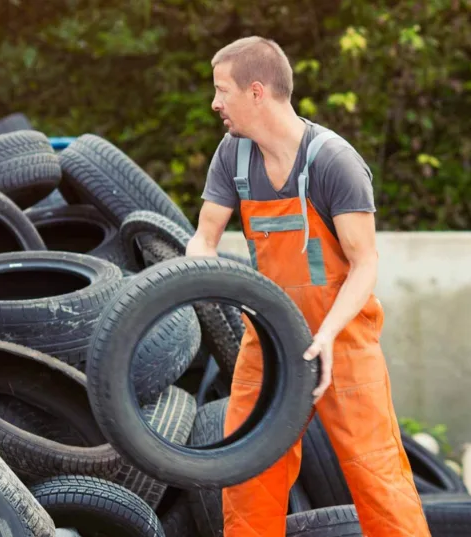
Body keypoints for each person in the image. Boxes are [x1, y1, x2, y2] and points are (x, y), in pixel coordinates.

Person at [184, 36, 431, 536]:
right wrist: (199, 283)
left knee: (377, 477)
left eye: (221, 91)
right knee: (248, 476)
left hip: (343, 341)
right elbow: (203, 240)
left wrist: (327, 335)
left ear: (257, 92)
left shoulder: (332, 161)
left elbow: (365, 264)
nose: (214, 104)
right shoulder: (233, 156)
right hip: (270, 342)